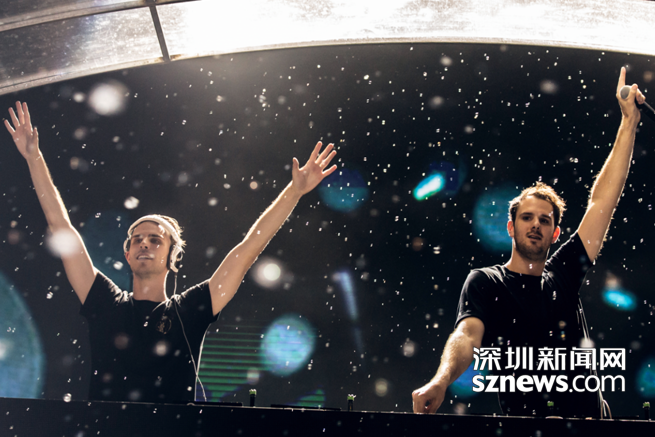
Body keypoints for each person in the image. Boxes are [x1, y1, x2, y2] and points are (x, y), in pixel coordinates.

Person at [4, 101, 337, 403]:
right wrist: (34, 158)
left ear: (172, 257)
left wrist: (294, 192)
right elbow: (61, 227)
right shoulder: (105, 302)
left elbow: (248, 249)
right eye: (137, 239)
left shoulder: (190, 309)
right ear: (127, 255)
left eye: (155, 239)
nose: (144, 243)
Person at [412, 67, 646, 418]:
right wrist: (441, 380)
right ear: (510, 227)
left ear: (555, 234)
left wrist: (628, 123)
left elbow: (602, 201)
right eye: (527, 217)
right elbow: (467, 336)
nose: (536, 224)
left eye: (545, 220)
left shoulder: (564, 273)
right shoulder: (486, 282)